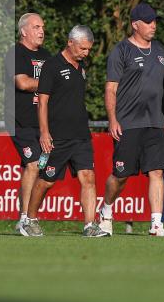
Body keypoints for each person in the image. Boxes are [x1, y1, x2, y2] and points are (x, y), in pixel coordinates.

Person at [20, 25, 108, 237]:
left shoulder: (81, 67)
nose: (85, 53)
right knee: (46, 181)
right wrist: (44, 133)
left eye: (88, 49)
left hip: (81, 135)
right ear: (70, 42)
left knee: (88, 177)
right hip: (57, 137)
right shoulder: (51, 66)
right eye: (82, 48)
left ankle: (90, 225)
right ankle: (29, 220)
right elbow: (42, 102)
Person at [100, 3, 164, 237]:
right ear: (135, 25)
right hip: (128, 123)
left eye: (155, 21)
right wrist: (112, 119)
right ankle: (106, 211)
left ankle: (156, 224)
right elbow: (111, 89)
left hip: (155, 123)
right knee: (120, 176)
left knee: (157, 172)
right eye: (148, 22)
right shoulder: (121, 51)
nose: (153, 25)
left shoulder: (160, 51)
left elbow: (162, 89)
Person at [3, 13, 49, 234]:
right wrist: (50, 84)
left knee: (38, 170)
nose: (41, 31)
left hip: (41, 123)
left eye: (43, 27)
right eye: (36, 26)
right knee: (32, 164)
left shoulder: (48, 56)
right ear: (24, 31)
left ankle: (29, 216)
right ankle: (25, 219)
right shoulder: (15, 53)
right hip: (19, 121)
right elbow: (22, 82)